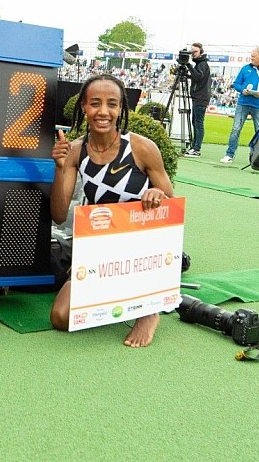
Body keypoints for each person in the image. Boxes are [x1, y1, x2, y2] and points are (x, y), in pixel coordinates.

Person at [50, 74, 173, 348]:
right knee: (60, 317)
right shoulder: (75, 151)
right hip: (99, 249)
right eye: (95, 103)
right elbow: (58, 215)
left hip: (141, 250)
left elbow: (172, 204)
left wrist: (159, 195)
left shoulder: (142, 148)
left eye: (112, 104)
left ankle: (149, 310)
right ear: (84, 106)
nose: (103, 111)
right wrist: (59, 169)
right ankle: (116, 293)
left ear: (121, 108)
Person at [220, 46, 259, 163]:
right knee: (236, 129)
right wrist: (242, 90)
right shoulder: (245, 68)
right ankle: (229, 154)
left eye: (253, 56)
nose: (251, 58)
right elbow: (236, 84)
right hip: (243, 104)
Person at [183, 43, 211, 156]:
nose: (193, 54)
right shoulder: (200, 64)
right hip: (199, 97)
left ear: (201, 52)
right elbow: (198, 77)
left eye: (195, 52)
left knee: (198, 123)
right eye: (192, 51)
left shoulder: (202, 64)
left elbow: (198, 77)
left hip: (200, 97)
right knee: (195, 122)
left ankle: (196, 148)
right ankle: (195, 146)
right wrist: (188, 75)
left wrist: (188, 65)